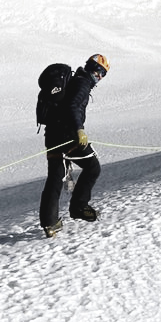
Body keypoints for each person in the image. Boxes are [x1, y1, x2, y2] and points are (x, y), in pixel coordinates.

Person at [40, 52, 109, 238]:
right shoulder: (82, 83)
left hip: (52, 135)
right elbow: (73, 107)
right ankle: (79, 207)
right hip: (68, 136)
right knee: (93, 167)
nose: (100, 76)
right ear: (92, 69)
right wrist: (79, 130)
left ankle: (50, 223)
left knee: (56, 178)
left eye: (104, 74)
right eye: (100, 71)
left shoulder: (75, 81)